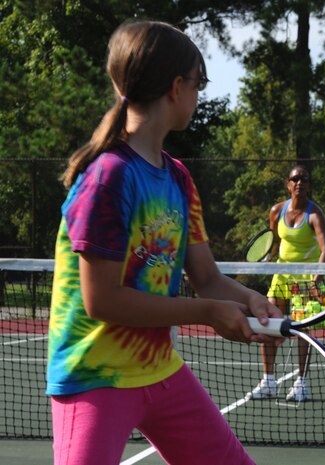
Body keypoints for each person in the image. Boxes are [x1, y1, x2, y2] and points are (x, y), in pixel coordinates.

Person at [46, 20, 281, 465]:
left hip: (159, 370)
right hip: (93, 375)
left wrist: (252, 300)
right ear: (177, 87)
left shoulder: (178, 178)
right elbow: (102, 301)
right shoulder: (107, 177)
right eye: (199, 82)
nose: (199, 93)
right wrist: (208, 313)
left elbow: (207, 278)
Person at [249, 165, 325, 402]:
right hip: (281, 276)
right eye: (295, 179)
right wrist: (268, 256)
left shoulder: (315, 215)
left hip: (306, 279)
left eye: (304, 179)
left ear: (308, 185)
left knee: (302, 331)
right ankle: (268, 381)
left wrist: (316, 280)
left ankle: (301, 383)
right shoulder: (276, 211)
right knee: (267, 323)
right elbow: (274, 241)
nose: (299, 182)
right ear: (288, 184)